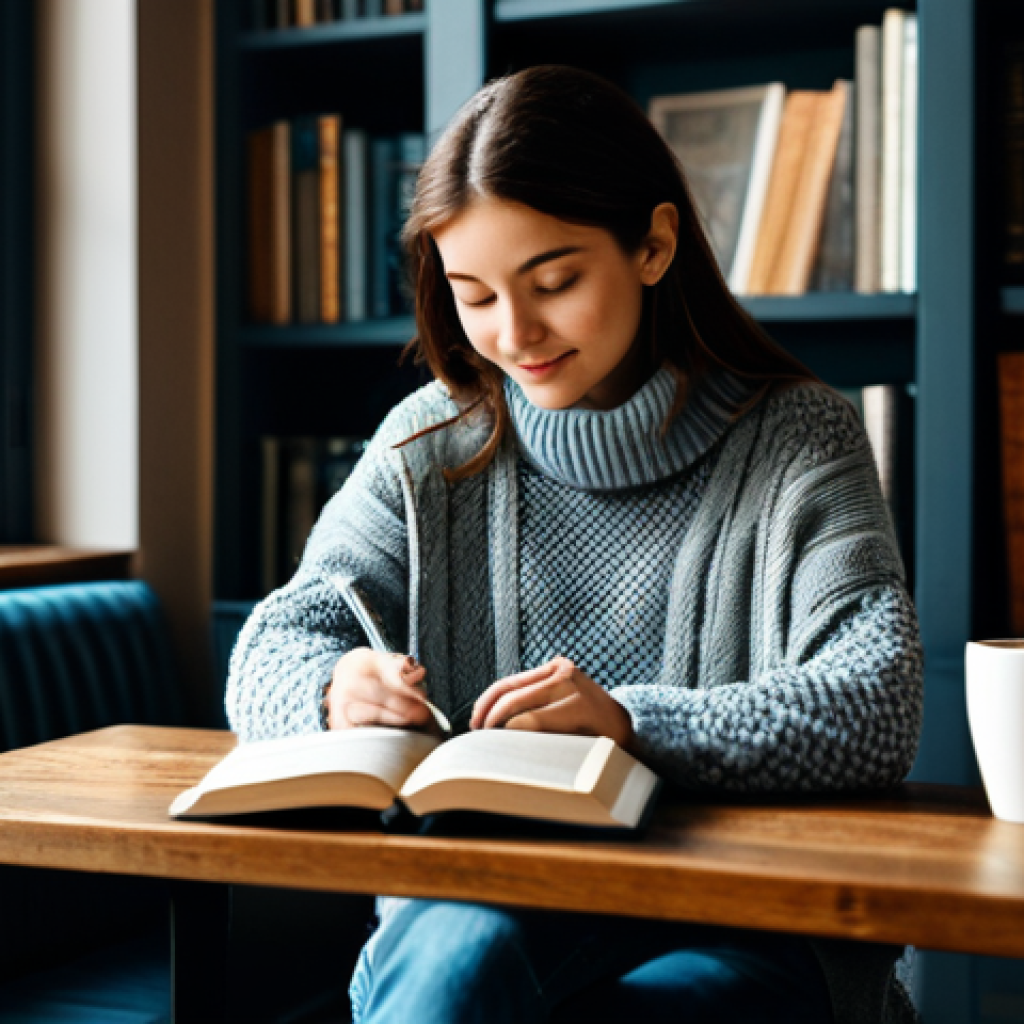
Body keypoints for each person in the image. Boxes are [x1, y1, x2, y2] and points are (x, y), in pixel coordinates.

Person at [226, 64, 923, 1024]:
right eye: (474, 295)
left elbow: (877, 701)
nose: (514, 334)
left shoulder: (801, 439)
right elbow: (270, 645)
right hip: (490, 893)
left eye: (553, 281)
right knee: (449, 970)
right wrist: (330, 688)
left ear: (653, 244)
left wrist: (632, 728)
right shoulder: (429, 442)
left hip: (746, 916)